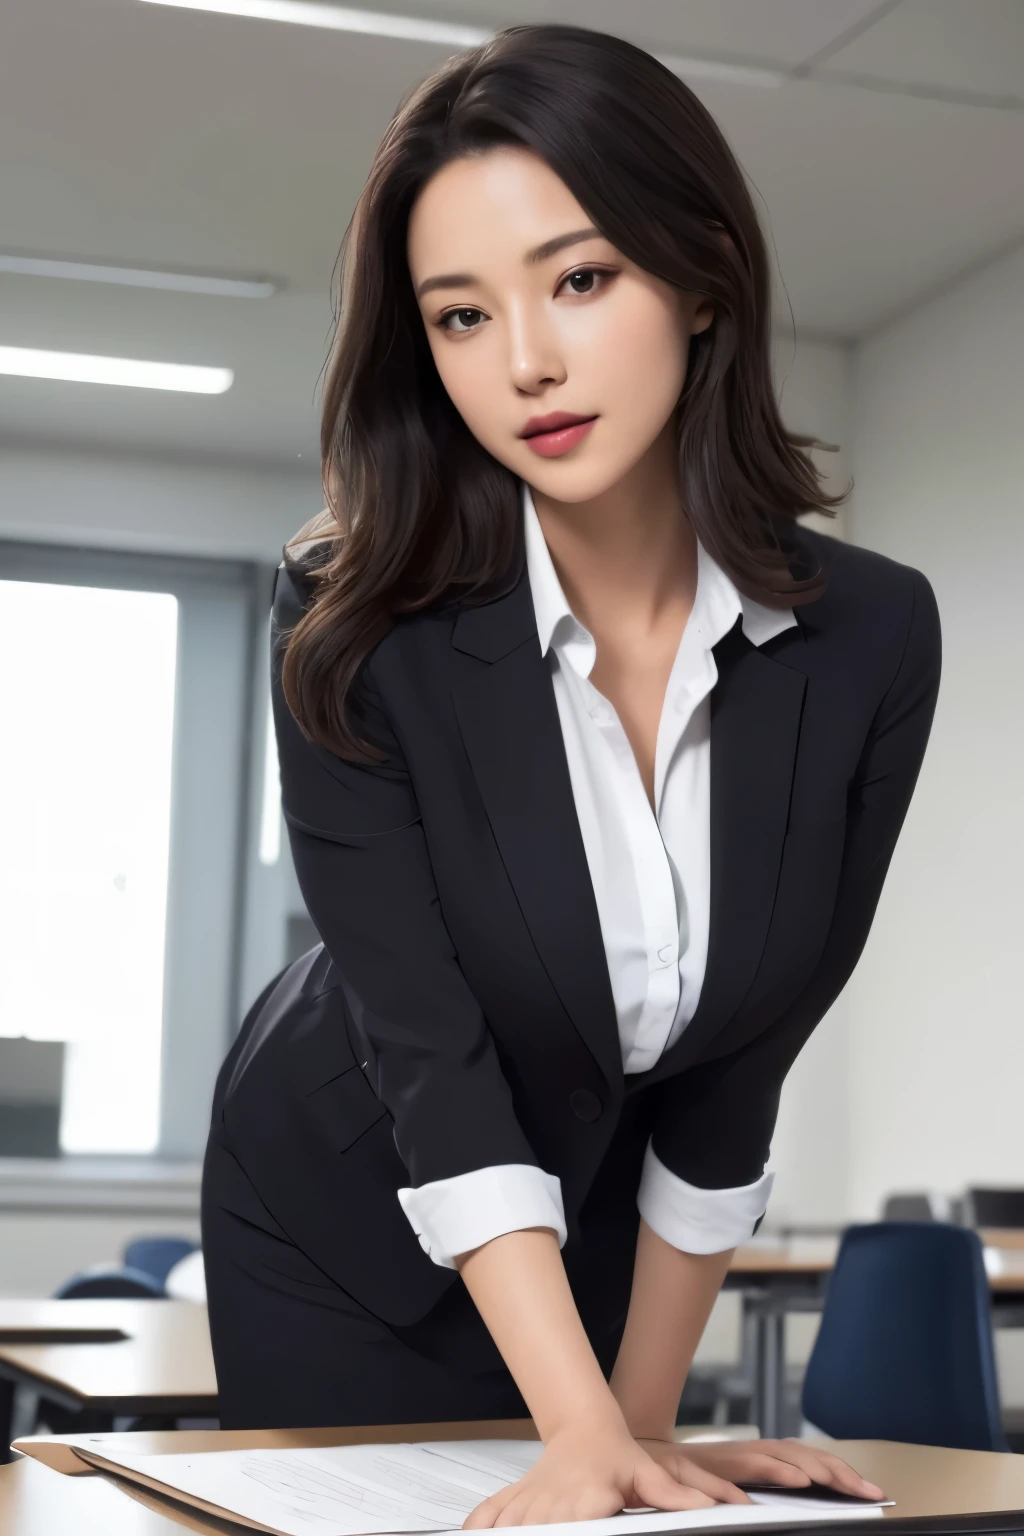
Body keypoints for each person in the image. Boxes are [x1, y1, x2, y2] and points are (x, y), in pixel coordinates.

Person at [201, 23, 940, 1527]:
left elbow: (748, 1052)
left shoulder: (870, 636)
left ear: (704, 276)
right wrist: (580, 1426)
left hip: (598, 1223)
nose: (525, 360)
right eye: (460, 317)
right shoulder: (357, 620)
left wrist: (640, 1429)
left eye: (581, 279)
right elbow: (431, 1054)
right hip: (344, 1208)